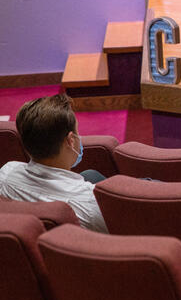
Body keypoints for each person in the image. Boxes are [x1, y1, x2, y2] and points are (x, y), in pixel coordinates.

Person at [0, 94, 108, 232]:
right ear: (70, 140)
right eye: (77, 131)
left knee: (90, 175)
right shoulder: (91, 203)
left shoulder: (6, 173)